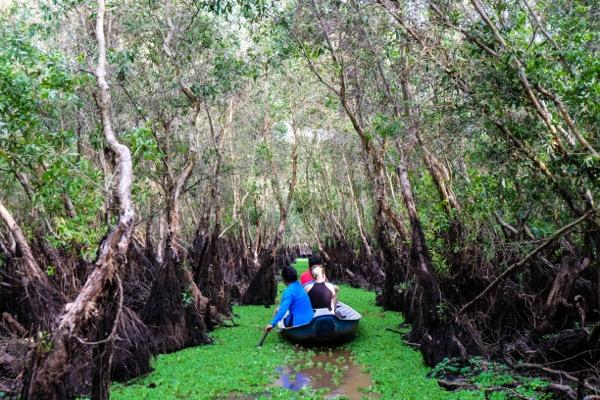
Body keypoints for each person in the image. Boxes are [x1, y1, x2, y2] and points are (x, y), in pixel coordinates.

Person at [265, 266, 313, 332]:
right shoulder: (300, 285)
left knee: (280, 315)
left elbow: (283, 310)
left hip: (298, 323)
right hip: (311, 321)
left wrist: (272, 324)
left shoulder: (288, 291)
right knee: (280, 310)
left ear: (284, 279)